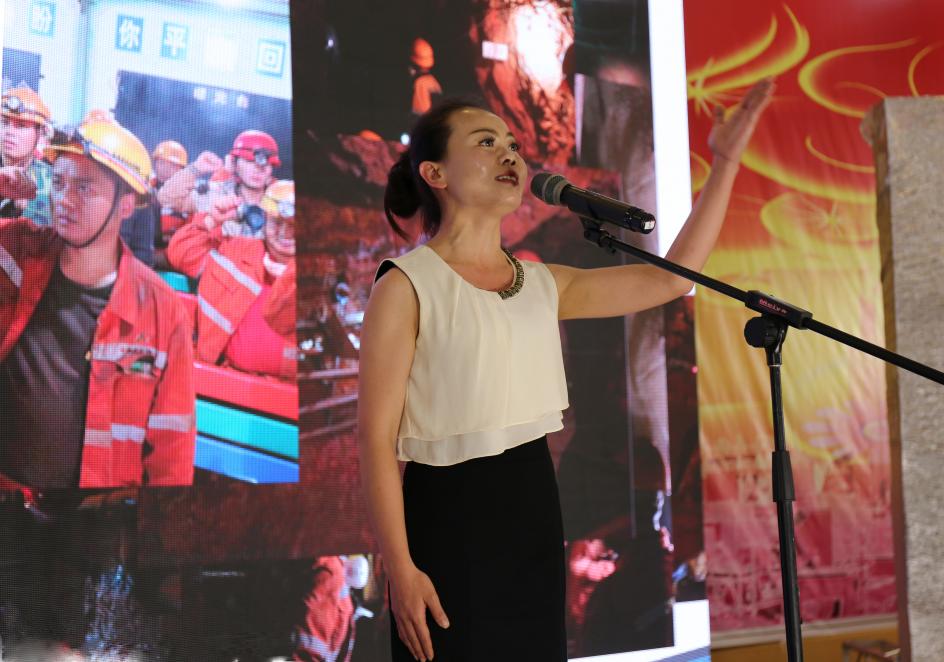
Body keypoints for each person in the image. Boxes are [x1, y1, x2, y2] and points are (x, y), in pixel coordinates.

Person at [358, 79, 774, 662]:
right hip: (448, 515)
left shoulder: (542, 283)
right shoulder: (406, 284)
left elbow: (671, 279)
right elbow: (375, 440)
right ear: (435, 173)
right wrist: (401, 570)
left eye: (512, 144)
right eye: (486, 142)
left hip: (532, 506)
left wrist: (724, 162)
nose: (509, 154)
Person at [0, 116, 196, 490]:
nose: (65, 199)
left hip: (90, 516)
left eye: (85, 188)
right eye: (59, 182)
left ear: (126, 206)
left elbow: (172, 450)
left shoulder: (161, 311)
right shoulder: (16, 252)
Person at [167, 179, 297, 379]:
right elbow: (182, 252)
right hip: (222, 380)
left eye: (294, 225)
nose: (284, 233)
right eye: (277, 222)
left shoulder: (318, 277)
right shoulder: (236, 251)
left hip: (286, 390)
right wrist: (212, 220)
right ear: (264, 219)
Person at [158, 129, 280, 239]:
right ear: (234, 162)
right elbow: (166, 199)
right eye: (249, 161)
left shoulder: (282, 201)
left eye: (266, 164)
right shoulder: (215, 195)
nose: (258, 169)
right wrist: (195, 169)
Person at [0, 87, 53, 226]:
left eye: (21, 126)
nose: (9, 132)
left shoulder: (54, 182)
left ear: (39, 133)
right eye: (4, 123)